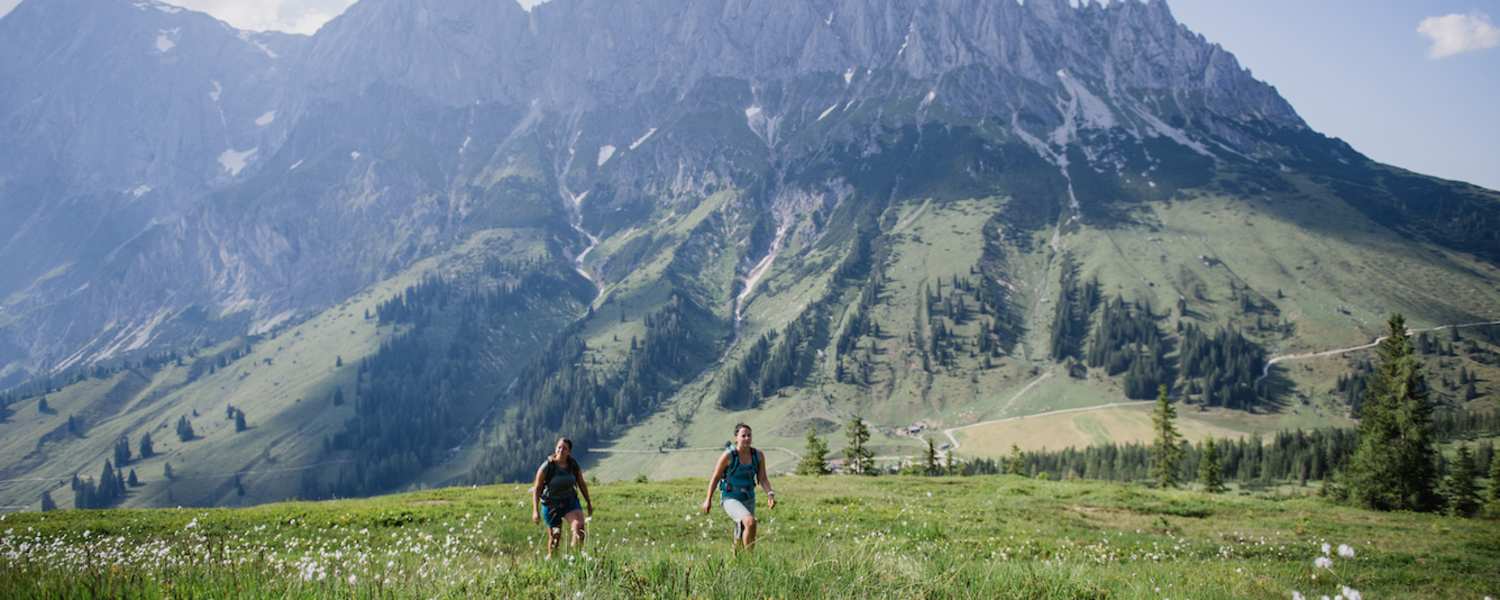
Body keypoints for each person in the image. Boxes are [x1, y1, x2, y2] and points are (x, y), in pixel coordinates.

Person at [701, 423, 776, 551]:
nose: (747, 438)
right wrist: (708, 499)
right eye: (743, 435)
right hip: (730, 497)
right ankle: (749, 560)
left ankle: (736, 561)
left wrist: (770, 494)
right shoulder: (729, 456)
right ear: (736, 438)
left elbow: (762, 479)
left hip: (748, 498)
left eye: (749, 435)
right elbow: (716, 477)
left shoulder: (758, 455)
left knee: (742, 531)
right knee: (750, 522)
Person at [531, 437, 593, 558]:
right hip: (551, 505)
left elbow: (581, 483)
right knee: (555, 538)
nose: (561, 450)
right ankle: (552, 561)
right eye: (559, 447)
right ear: (555, 449)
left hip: (570, 501)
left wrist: (588, 502)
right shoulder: (547, 466)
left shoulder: (573, 465)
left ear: (569, 452)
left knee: (579, 528)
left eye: (564, 448)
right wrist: (535, 511)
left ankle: (575, 558)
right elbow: (537, 488)